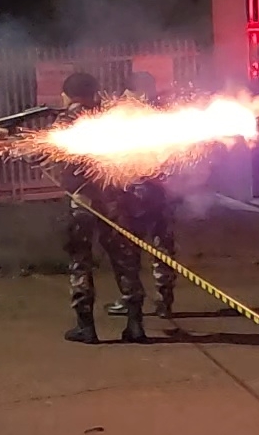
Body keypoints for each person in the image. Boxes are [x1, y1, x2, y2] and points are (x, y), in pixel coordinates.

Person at [59, 72, 147, 344]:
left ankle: (86, 327)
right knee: (125, 261)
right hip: (114, 201)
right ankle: (135, 326)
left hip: (83, 203)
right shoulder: (109, 117)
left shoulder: (65, 121)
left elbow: (38, 152)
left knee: (80, 262)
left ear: (67, 95)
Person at [106, 71, 178, 319]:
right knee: (162, 245)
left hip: (135, 190)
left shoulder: (121, 116)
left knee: (130, 247)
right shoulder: (160, 114)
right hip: (158, 188)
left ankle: (132, 299)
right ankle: (164, 301)